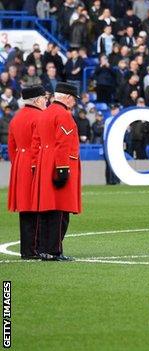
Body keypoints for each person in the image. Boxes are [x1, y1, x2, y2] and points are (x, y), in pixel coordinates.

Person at [31, 82, 82, 261]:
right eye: (73, 99)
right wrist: (62, 169)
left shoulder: (45, 114)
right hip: (59, 165)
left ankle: (44, 249)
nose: (74, 102)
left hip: (45, 164)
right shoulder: (63, 115)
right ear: (67, 97)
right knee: (61, 211)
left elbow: (36, 141)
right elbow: (63, 144)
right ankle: (54, 250)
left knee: (47, 210)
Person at [7, 86, 47, 260]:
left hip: (20, 163)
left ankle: (26, 249)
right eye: (44, 98)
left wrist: (18, 162)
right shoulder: (40, 117)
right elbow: (38, 144)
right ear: (37, 100)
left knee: (25, 209)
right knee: (37, 206)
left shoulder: (15, 118)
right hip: (35, 164)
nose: (46, 101)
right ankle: (35, 248)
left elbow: (11, 146)